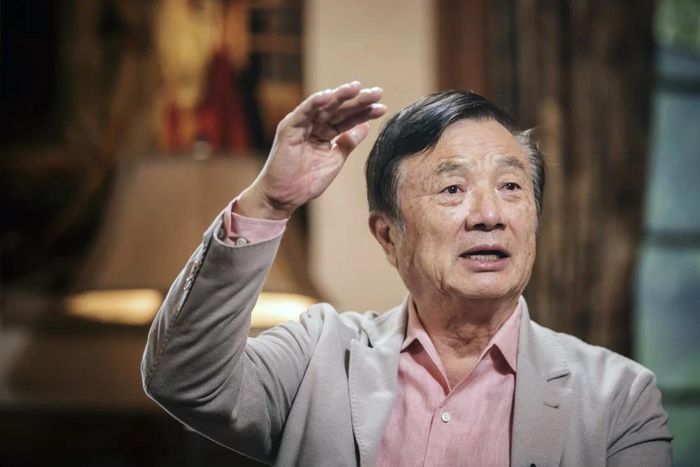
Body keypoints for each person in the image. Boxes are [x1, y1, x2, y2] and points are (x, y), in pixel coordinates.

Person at [141, 82, 672, 466]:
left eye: (511, 187)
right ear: (388, 237)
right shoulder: (316, 357)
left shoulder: (617, 399)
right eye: (452, 189)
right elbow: (184, 381)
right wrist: (269, 203)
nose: (489, 214)